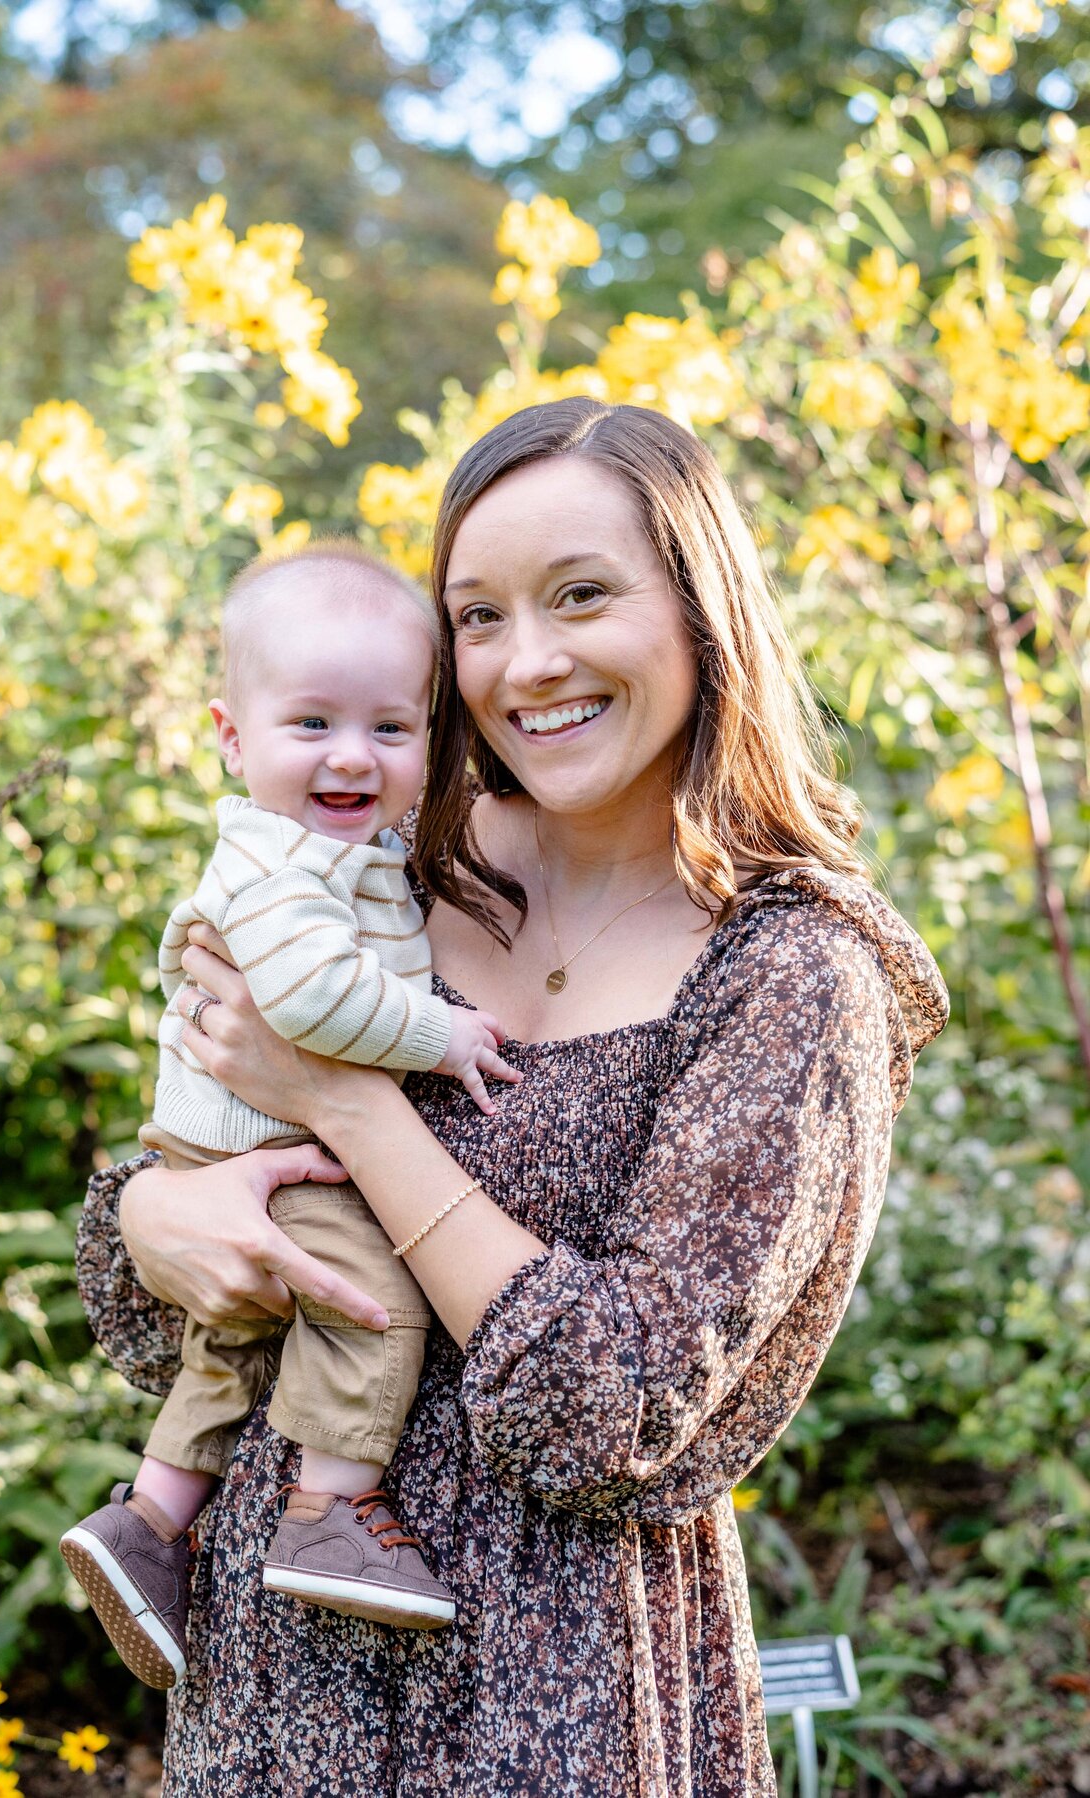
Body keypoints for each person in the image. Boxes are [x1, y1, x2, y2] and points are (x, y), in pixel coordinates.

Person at [75, 398, 949, 1796]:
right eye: (477, 616)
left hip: (556, 1698)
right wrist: (157, 1219)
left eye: (582, 597)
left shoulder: (792, 974)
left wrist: (356, 1107)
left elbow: (608, 1407)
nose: (526, 662)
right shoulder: (386, 860)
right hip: (271, 1679)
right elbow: (165, 1250)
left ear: (701, 612)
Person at [61, 544, 520, 1689]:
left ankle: (151, 1523)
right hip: (251, 1143)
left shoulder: (350, 855)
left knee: (239, 1339)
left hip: (235, 1141)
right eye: (310, 724)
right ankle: (332, 1502)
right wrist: (439, 1034)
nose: (352, 757)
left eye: (390, 728)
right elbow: (312, 1001)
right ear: (230, 736)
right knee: (368, 1297)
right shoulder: (280, 868)